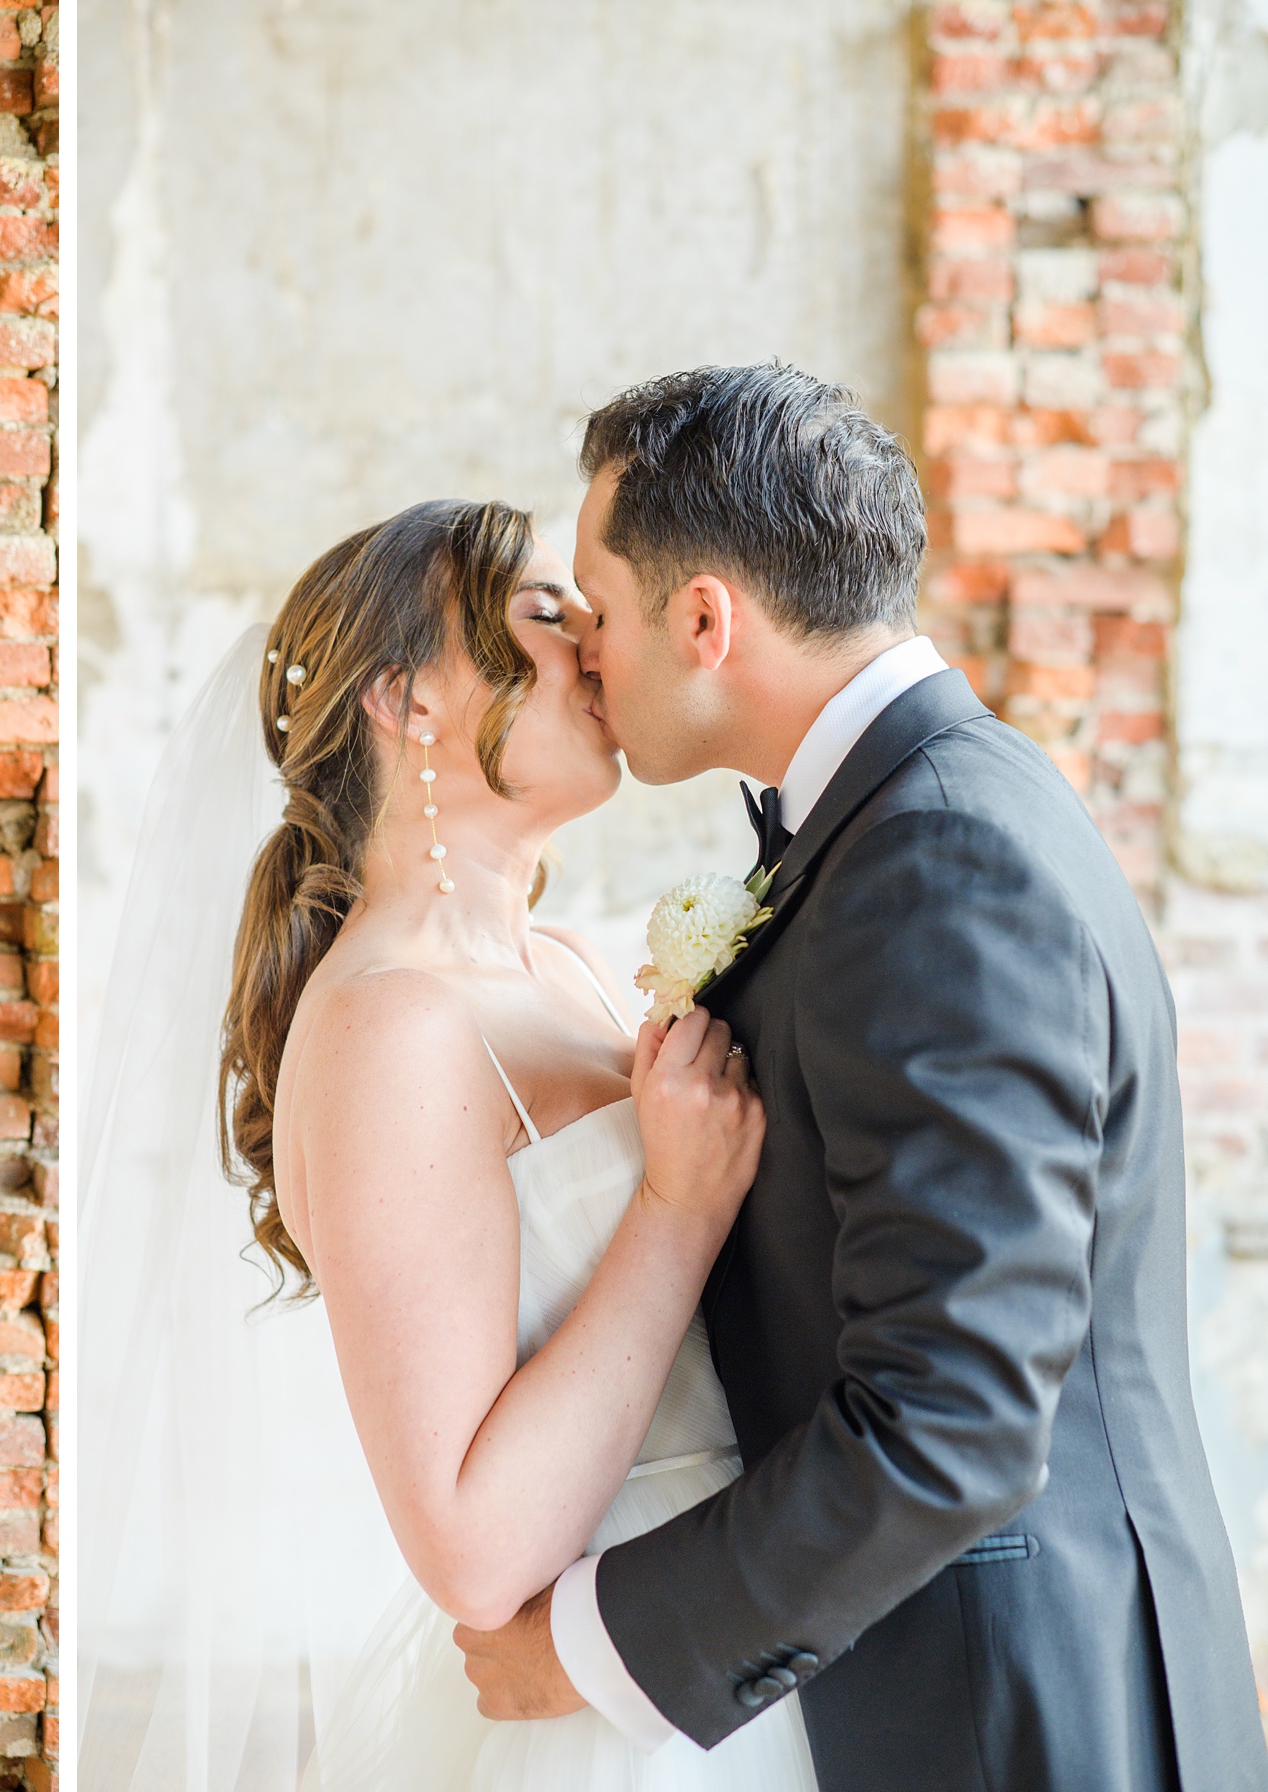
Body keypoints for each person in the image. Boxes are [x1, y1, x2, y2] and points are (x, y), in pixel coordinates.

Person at [452, 364, 1266, 1791]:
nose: (585, 653)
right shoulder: (914, 815)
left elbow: (953, 1412)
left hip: (1020, 1713)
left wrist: (589, 1644)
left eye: (604, 609)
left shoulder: (940, 860)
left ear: (705, 620)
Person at [80, 500, 817, 1792]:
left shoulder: (581, 967)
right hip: (618, 1719)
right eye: (545, 615)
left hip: (747, 1634)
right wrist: (677, 1209)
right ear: (404, 701)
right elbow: (471, 1545)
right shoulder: (388, 1033)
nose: (593, 644)